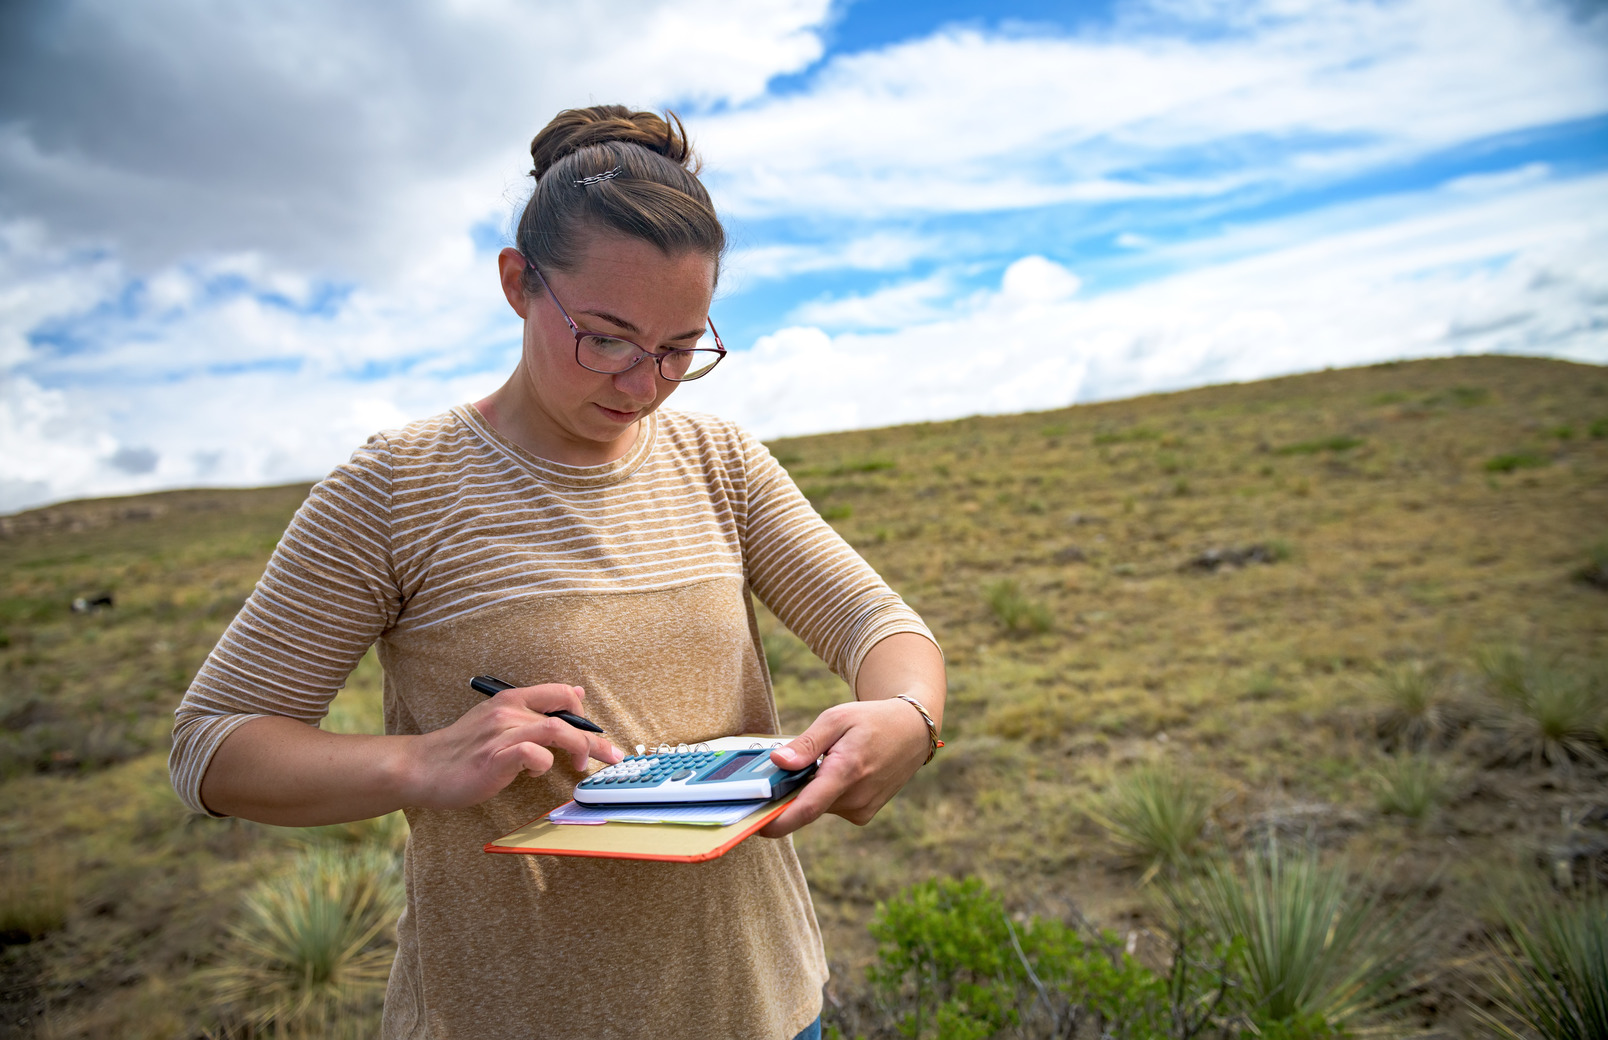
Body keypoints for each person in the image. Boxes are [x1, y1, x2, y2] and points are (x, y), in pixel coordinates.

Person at [170, 104, 945, 1040]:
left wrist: (909, 717)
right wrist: (422, 762)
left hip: (765, 1008)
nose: (642, 383)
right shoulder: (395, 489)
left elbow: (879, 625)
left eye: (679, 348)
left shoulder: (720, 460)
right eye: (608, 338)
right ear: (517, 285)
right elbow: (211, 747)